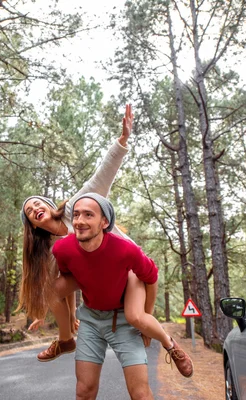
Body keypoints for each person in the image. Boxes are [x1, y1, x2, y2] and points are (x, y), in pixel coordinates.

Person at [18, 106, 192, 379]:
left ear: (49, 206)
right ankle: (65, 341)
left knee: (136, 318)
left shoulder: (77, 207)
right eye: (29, 212)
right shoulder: (52, 250)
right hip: (94, 281)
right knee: (50, 289)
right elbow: (66, 280)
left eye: (37, 203)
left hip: (124, 268)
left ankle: (170, 345)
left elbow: (102, 175)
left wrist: (122, 142)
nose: (34, 208)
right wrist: (43, 312)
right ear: (32, 225)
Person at [52, 193, 193, 399]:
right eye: (76, 215)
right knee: (84, 391)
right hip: (91, 320)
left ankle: (171, 345)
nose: (79, 221)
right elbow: (68, 280)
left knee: (140, 394)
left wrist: (146, 318)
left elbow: (151, 278)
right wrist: (71, 317)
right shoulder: (62, 249)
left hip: (124, 321)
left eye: (88, 215)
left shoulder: (126, 250)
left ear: (104, 222)